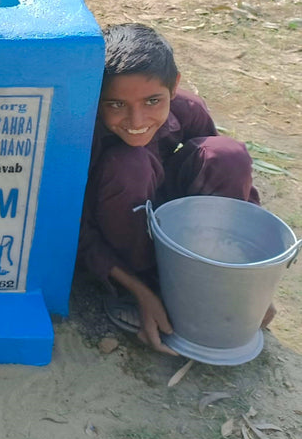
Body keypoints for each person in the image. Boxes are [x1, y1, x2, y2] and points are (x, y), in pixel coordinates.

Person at [78, 23, 267, 354]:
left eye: (153, 100)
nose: (136, 119)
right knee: (129, 164)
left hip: (171, 222)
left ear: (174, 87)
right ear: (96, 95)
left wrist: (251, 283)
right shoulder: (83, 134)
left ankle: (209, 273)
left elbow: (224, 176)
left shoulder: (188, 110)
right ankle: (153, 286)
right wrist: (139, 289)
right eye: (116, 104)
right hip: (119, 231)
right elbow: (76, 227)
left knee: (227, 154)